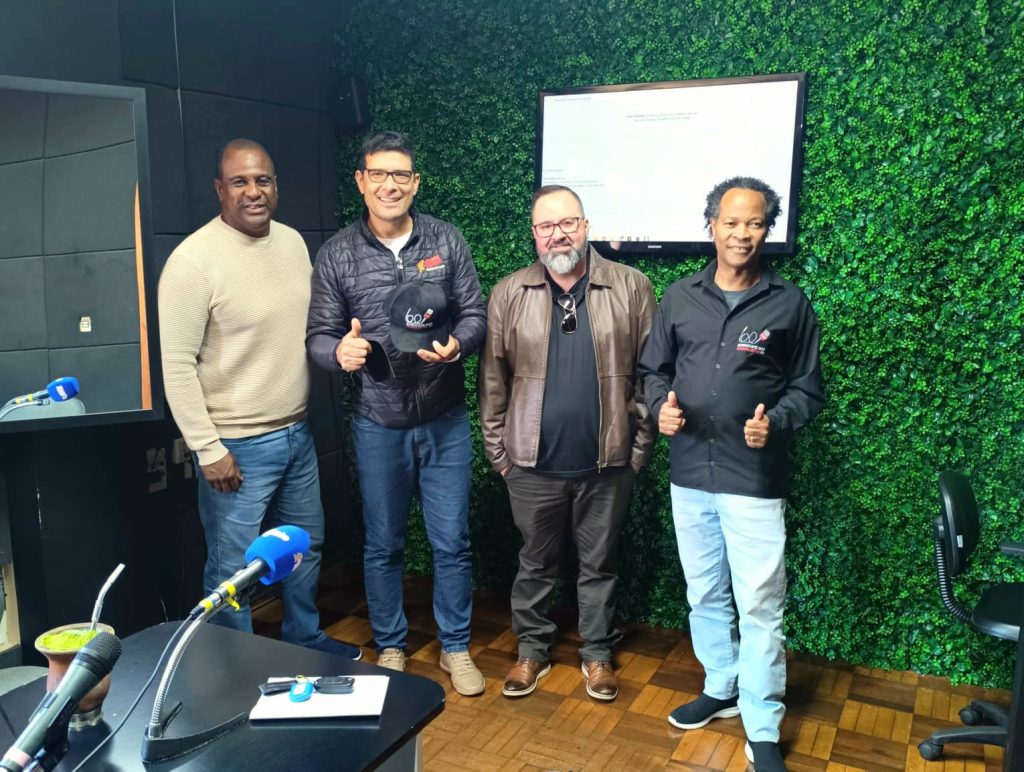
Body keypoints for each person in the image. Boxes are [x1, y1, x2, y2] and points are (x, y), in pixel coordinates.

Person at [638, 177, 825, 770]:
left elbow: (808, 390)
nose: (742, 234)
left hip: (753, 480)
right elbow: (653, 371)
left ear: (767, 230)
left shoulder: (789, 304)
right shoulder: (679, 297)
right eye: (732, 222)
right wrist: (660, 407)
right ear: (711, 225)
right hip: (689, 473)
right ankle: (721, 687)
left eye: (755, 223)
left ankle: (762, 725)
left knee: (760, 604)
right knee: (704, 593)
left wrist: (779, 422)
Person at [159, 138, 359, 659]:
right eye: (240, 182)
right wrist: (207, 448)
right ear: (219, 189)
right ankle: (235, 668)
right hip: (235, 445)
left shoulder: (291, 243)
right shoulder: (192, 261)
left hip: (296, 432)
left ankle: (304, 639)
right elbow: (176, 365)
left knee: (304, 545)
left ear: (276, 186)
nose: (254, 191)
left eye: (263, 180)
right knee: (234, 570)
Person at [306, 131, 487, 696]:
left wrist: (458, 344)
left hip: (445, 418)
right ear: (362, 181)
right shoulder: (337, 253)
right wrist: (338, 353)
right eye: (379, 174)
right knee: (383, 544)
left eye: (400, 175)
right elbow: (318, 336)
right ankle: (390, 645)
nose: (390, 185)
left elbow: (475, 314)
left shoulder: (446, 240)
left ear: (415, 183)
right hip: (377, 423)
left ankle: (455, 646)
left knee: (452, 542)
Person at [479, 185, 656, 701]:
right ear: (534, 234)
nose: (557, 234)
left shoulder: (631, 286)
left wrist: (638, 451)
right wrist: (500, 454)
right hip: (530, 465)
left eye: (567, 223)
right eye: (545, 226)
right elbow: (492, 379)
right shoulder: (509, 292)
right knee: (534, 564)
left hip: (608, 464)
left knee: (599, 566)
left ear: (585, 226)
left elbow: (651, 374)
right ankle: (532, 650)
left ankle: (597, 654)